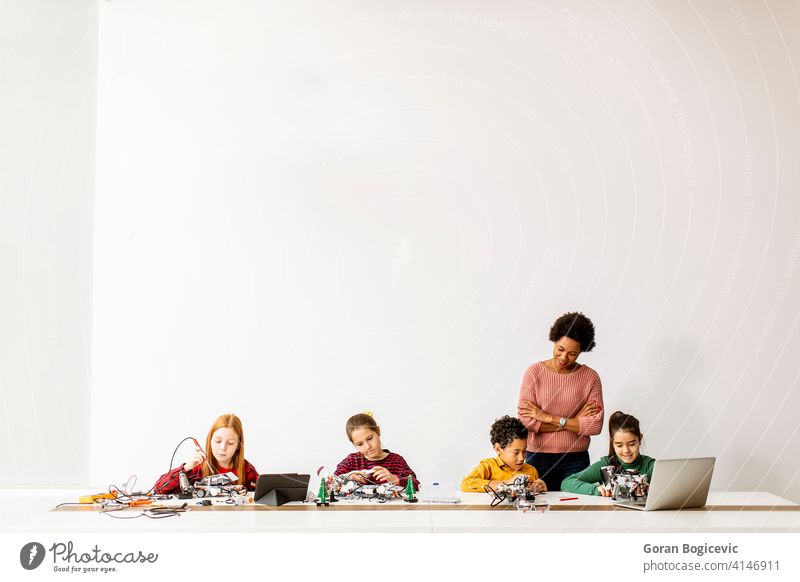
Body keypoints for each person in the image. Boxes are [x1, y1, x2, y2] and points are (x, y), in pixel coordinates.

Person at [517, 311, 604, 491]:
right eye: (560, 349)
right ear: (554, 341)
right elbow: (526, 422)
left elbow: (595, 426)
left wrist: (546, 417)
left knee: (576, 513)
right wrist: (576, 420)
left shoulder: (590, 377)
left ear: (582, 351)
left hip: (576, 458)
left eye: (573, 353)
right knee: (537, 510)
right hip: (537, 457)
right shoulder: (534, 373)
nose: (564, 358)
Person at [152, 413, 259, 494]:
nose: (222, 448)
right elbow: (158, 489)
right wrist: (186, 468)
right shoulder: (197, 468)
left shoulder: (247, 470)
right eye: (217, 441)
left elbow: (263, 494)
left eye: (230, 443)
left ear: (238, 446)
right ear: (210, 441)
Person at [561, 411, 654, 496]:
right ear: (612, 443)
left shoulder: (651, 466)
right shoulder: (606, 464)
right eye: (619, 445)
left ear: (640, 439)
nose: (626, 450)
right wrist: (596, 489)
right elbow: (567, 483)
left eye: (631, 444)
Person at [334, 412, 420, 490]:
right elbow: (330, 482)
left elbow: (416, 484)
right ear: (354, 444)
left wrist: (395, 479)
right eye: (360, 444)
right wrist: (347, 477)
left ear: (378, 431)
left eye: (370, 438)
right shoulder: (352, 461)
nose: (368, 446)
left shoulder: (396, 461)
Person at [461, 415, 547, 493]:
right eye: (516, 452)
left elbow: (533, 498)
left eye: (524, 451)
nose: (521, 458)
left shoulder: (531, 471)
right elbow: (466, 484)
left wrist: (539, 489)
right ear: (498, 449)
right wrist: (505, 484)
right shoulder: (488, 467)